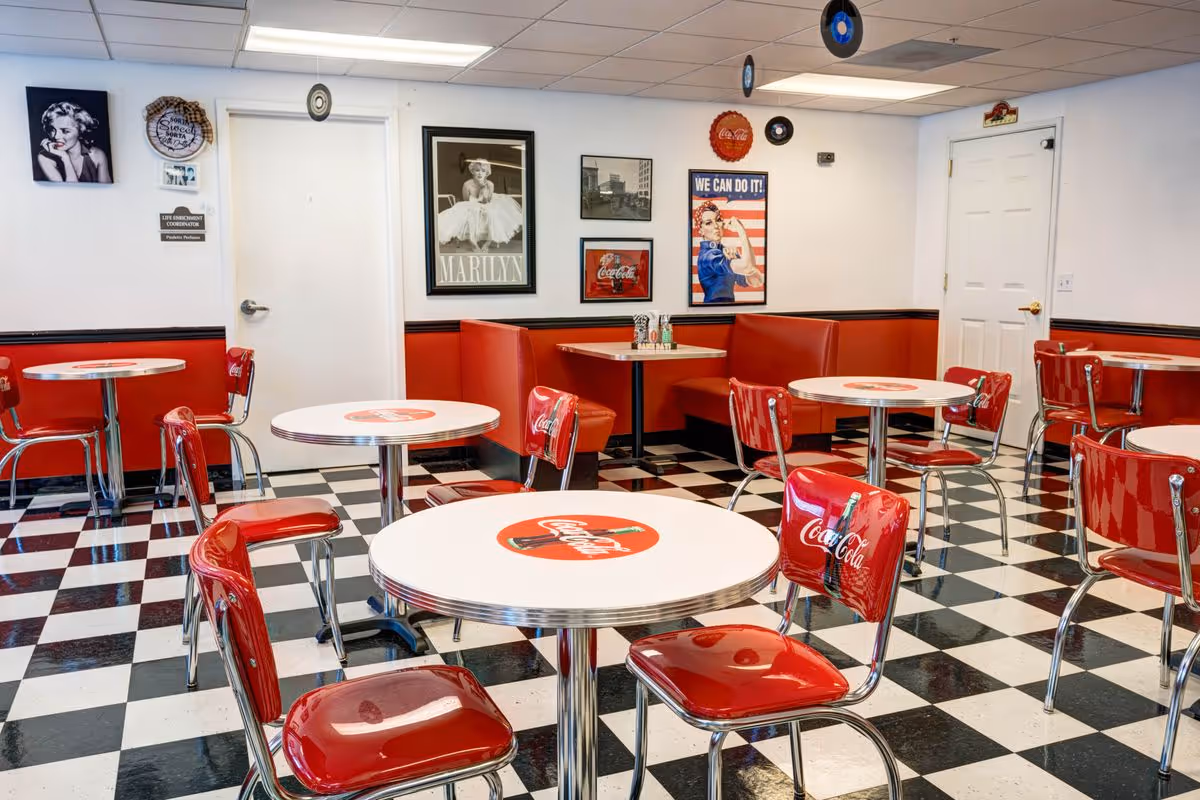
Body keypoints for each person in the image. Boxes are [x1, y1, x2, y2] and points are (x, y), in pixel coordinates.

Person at [437, 158, 522, 252]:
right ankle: (473, 242)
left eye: (483, 171)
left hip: (487, 203)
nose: (480, 173)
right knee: (470, 213)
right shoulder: (467, 185)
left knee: (491, 213)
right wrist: (474, 205)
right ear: (472, 171)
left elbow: (487, 201)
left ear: (487, 173)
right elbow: (466, 201)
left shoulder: (490, 184)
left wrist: (483, 189)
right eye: (477, 170)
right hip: (471, 204)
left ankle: (488, 243)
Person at [693, 200, 763, 303]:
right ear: (701, 230)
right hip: (713, 312)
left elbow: (756, 281)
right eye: (708, 223)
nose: (716, 226)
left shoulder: (725, 251)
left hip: (730, 312)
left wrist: (748, 269)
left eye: (718, 220)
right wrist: (741, 232)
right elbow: (748, 268)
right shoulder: (708, 256)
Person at [36, 101, 111, 183]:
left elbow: (108, 192)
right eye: (52, 130)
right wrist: (65, 158)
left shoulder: (97, 155)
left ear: (81, 130)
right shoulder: (45, 158)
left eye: (65, 131)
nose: (56, 136)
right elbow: (67, 192)